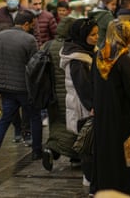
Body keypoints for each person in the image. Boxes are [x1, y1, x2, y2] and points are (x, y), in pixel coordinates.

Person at [91, 20, 130, 196]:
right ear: (124, 37)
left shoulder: (100, 56)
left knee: (106, 152)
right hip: (123, 114)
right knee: (121, 154)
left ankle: (105, 188)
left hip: (103, 113)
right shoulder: (123, 60)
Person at [0, 10, 42, 168]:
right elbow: (35, 66)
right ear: (26, 24)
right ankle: (37, 150)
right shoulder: (29, 40)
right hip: (23, 88)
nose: (33, 28)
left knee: (4, 120)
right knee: (35, 116)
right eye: (32, 25)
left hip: (4, 87)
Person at [59, 18, 98, 187]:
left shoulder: (87, 51)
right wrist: (91, 105)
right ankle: (89, 179)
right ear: (82, 36)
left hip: (85, 105)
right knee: (88, 143)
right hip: (82, 107)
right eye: (93, 35)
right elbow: (82, 85)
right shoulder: (78, 58)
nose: (96, 37)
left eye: (97, 33)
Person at [0, 0, 26, 143]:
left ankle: (26, 130)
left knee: (26, 101)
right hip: (5, 61)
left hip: (23, 60)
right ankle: (17, 127)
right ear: (5, 0)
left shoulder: (26, 14)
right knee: (9, 102)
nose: (12, 1)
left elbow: (35, 35)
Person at [41, 17, 78, 172]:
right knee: (73, 126)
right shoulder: (73, 47)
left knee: (56, 124)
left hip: (53, 95)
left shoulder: (48, 46)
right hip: (70, 93)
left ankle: (51, 148)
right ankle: (75, 156)